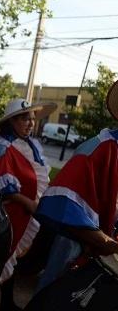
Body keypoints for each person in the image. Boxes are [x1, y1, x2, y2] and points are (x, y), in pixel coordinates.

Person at [34, 80, 118, 291]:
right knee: (55, 305)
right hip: (86, 262)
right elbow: (62, 205)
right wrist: (108, 244)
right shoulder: (98, 149)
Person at [0, 98, 56, 311]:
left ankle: (6, 302)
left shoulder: (31, 144)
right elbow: (0, 184)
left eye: (32, 119)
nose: (30, 123)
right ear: (12, 121)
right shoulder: (0, 145)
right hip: (6, 212)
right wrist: (29, 204)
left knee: (12, 256)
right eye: (25, 118)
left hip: (27, 212)